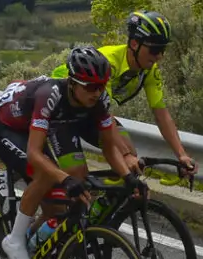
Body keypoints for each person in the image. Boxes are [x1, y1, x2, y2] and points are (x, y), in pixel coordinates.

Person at [0, 47, 142, 259]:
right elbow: (34, 153)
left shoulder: (99, 100)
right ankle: (14, 241)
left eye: (101, 86)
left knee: (57, 208)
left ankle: (32, 244)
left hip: (41, 127)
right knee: (45, 173)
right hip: (8, 129)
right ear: (72, 82)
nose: (96, 92)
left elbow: (109, 147)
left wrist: (129, 177)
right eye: (90, 86)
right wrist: (66, 179)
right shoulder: (49, 95)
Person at [47, 10, 195, 175]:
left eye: (163, 49)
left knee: (131, 159)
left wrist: (182, 155)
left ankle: (106, 200)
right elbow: (102, 112)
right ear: (134, 44)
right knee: (77, 175)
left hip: (91, 112)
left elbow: (161, 114)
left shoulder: (149, 71)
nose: (159, 56)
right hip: (62, 112)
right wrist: (123, 154)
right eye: (154, 50)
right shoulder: (108, 63)